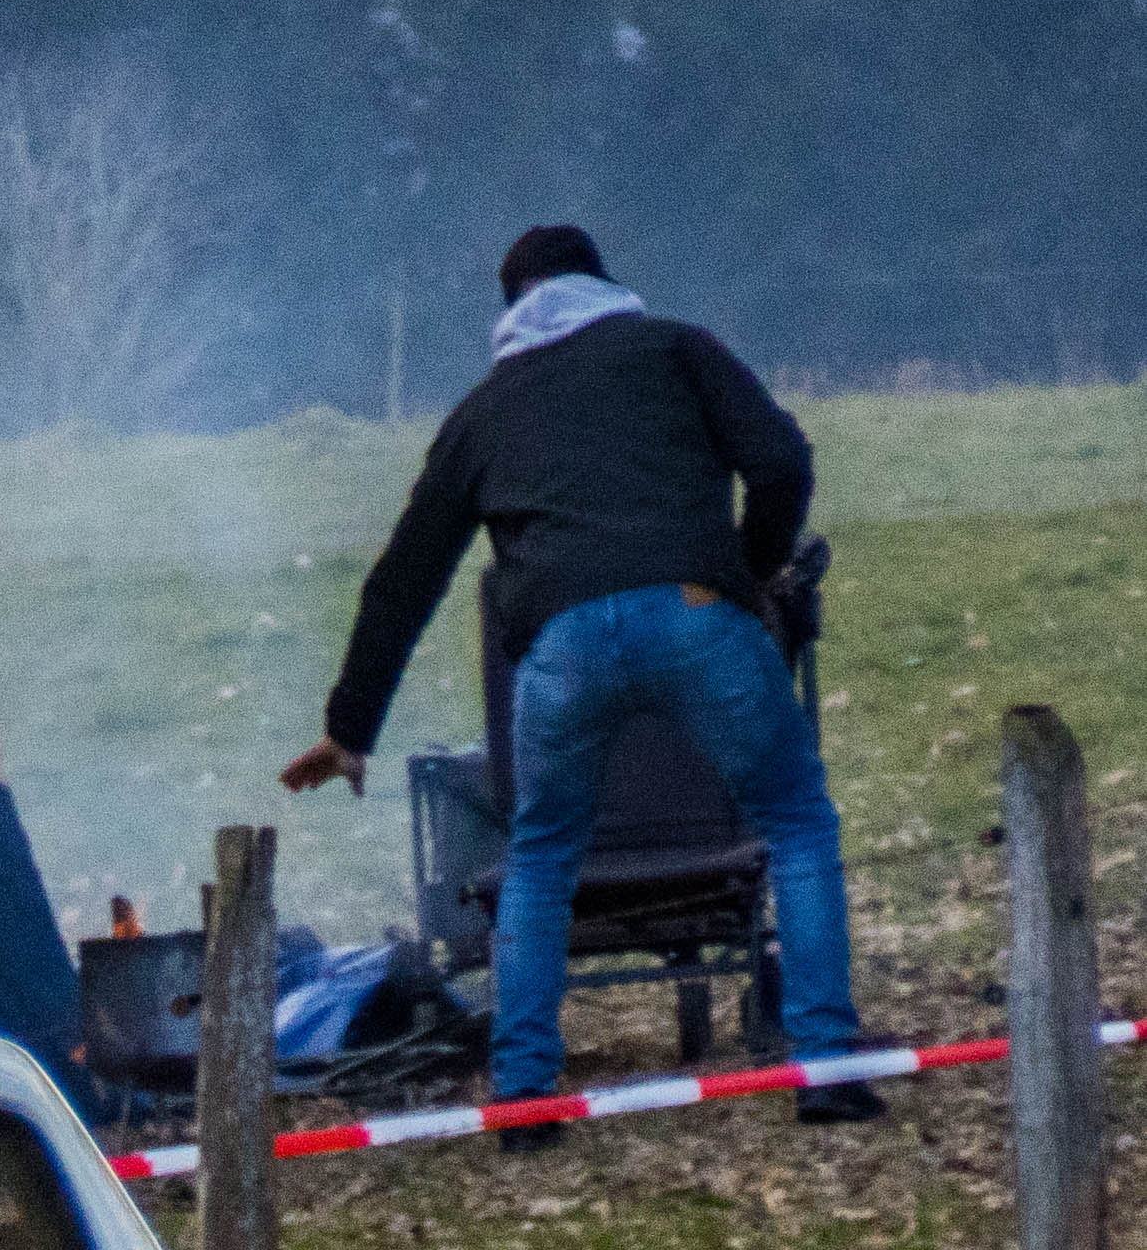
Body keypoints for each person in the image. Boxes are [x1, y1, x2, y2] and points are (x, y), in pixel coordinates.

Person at [285, 225, 881, 1129]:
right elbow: (781, 461)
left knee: (540, 857)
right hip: (696, 616)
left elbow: (406, 575)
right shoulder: (677, 348)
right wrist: (751, 573)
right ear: (605, 284)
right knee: (796, 823)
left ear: (512, 311)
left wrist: (351, 727)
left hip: (561, 649)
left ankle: (523, 1095)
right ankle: (827, 1069)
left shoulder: (483, 412)